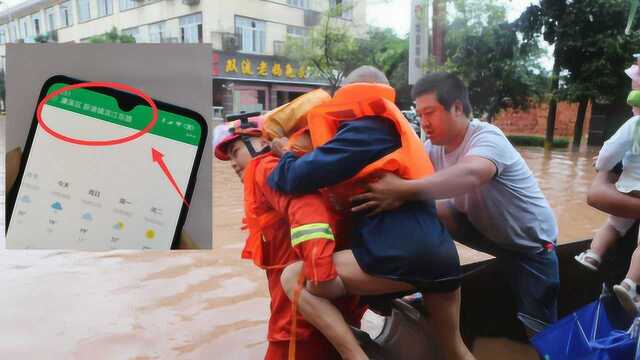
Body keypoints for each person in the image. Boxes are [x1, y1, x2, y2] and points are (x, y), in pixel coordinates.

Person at [270, 66, 473, 360]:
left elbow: (293, 178)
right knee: (454, 350)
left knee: (294, 278)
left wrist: (285, 153)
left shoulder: (369, 127)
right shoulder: (398, 129)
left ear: (351, 96)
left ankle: (356, 356)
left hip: (400, 255)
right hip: (440, 256)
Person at [352, 72, 560, 337]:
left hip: (532, 249)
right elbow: (406, 180)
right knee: (419, 208)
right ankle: (427, 281)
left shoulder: (488, 137)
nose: (424, 122)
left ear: (458, 108)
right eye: (420, 115)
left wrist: (403, 190)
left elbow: (471, 175)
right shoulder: (432, 148)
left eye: (430, 113)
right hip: (485, 234)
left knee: (541, 333)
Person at [212, 116, 363, 360]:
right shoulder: (285, 169)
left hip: (296, 321)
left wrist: (320, 276)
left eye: (235, 151)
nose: (232, 163)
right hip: (313, 313)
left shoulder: (266, 168)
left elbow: (309, 210)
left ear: (262, 142)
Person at [575, 77, 640, 315]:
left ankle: (594, 254)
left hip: (628, 187)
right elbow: (596, 195)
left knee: (613, 224)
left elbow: (605, 161)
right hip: (618, 266)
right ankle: (630, 283)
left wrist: (602, 163)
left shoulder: (632, 125)